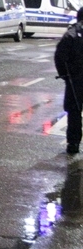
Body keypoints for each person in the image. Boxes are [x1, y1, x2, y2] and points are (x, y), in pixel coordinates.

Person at [55, 8, 83, 155]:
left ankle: (73, 143)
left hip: (75, 80)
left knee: (74, 112)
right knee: (74, 111)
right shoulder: (71, 34)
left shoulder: (71, 34)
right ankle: (73, 143)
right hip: (75, 78)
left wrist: (65, 75)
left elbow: (60, 57)